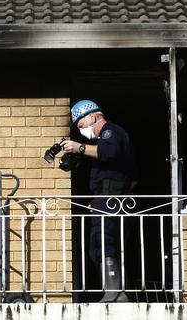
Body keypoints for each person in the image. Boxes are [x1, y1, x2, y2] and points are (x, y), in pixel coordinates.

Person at [61, 99, 135, 303]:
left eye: (81, 125)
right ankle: (118, 292)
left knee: (104, 242)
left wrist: (79, 148)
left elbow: (108, 153)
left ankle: (114, 293)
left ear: (93, 116)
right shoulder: (106, 137)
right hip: (109, 197)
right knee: (107, 243)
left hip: (112, 198)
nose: (81, 131)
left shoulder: (110, 132)